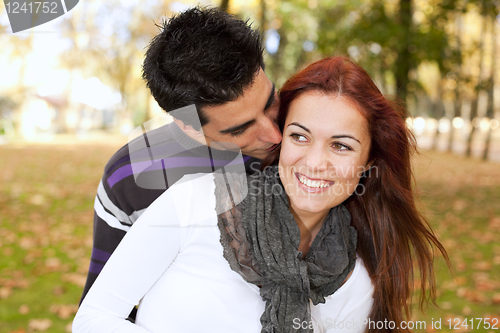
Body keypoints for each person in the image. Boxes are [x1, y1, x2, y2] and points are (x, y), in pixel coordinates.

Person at [74, 56, 448, 333]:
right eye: (299, 136)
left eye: (341, 146)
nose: (315, 162)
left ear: (368, 164)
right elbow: (94, 319)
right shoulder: (193, 203)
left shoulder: (358, 279)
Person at [80, 6, 282, 313]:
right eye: (240, 128)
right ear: (188, 126)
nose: (275, 136)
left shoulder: (309, 136)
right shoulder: (130, 178)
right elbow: (103, 311)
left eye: (269, 103)